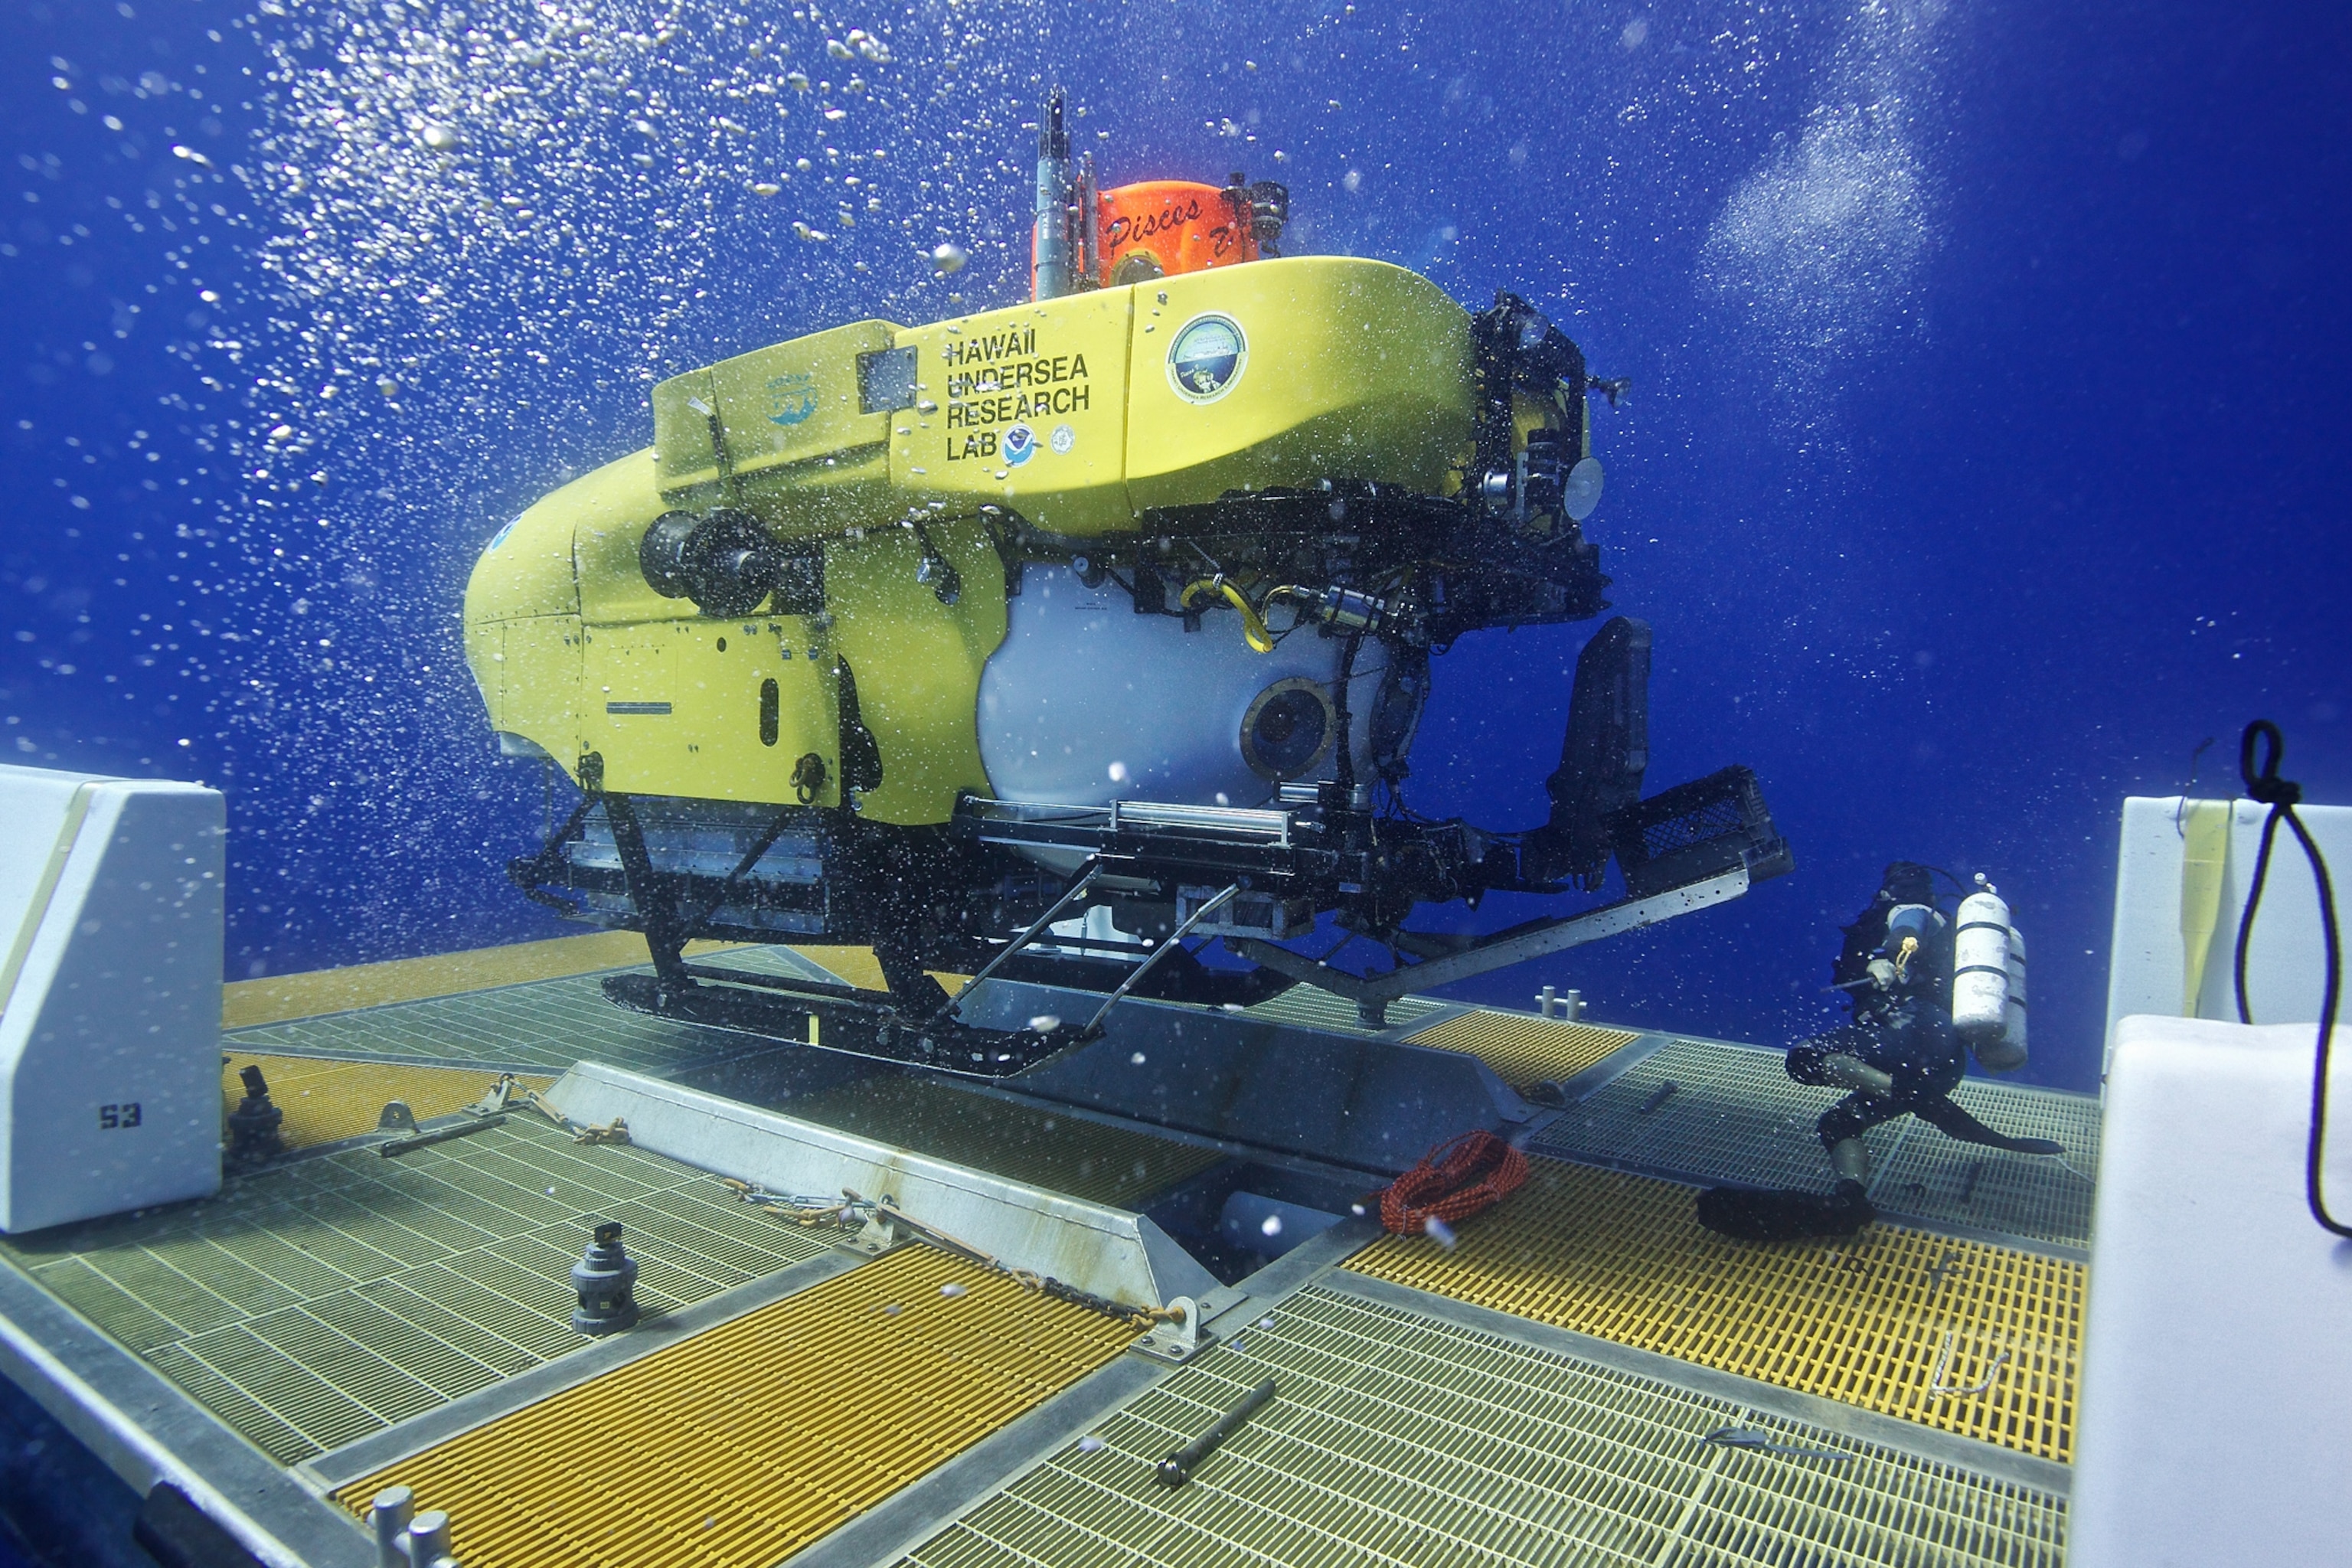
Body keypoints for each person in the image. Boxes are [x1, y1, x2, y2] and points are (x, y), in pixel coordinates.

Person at [1695, 861, 2063, 1242]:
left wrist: (1886, 956)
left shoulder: (1912, 911)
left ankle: (1908, 1093)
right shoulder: (1945, 929)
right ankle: (1850, 1201)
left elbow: (1907, 928)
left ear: (1891, 890)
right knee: (1838, 1123)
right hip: (1941, 1066)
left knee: (1804, 1058)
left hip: (1915, 1034)